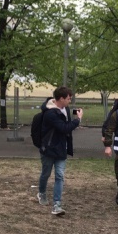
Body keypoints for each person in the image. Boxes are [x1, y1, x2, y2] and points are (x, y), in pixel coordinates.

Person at [37, 86, 83, 216]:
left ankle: (57, 204)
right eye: (68, 98)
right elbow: (64, 128)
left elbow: (66, 123)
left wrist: (75, 117)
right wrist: (78, 120)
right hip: (49, 149)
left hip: (61, 149)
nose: (70, 101)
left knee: (59, 176)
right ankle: (41, 192)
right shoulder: (50, 113)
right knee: (46, 174)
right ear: (61, 98)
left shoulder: (65, 109)